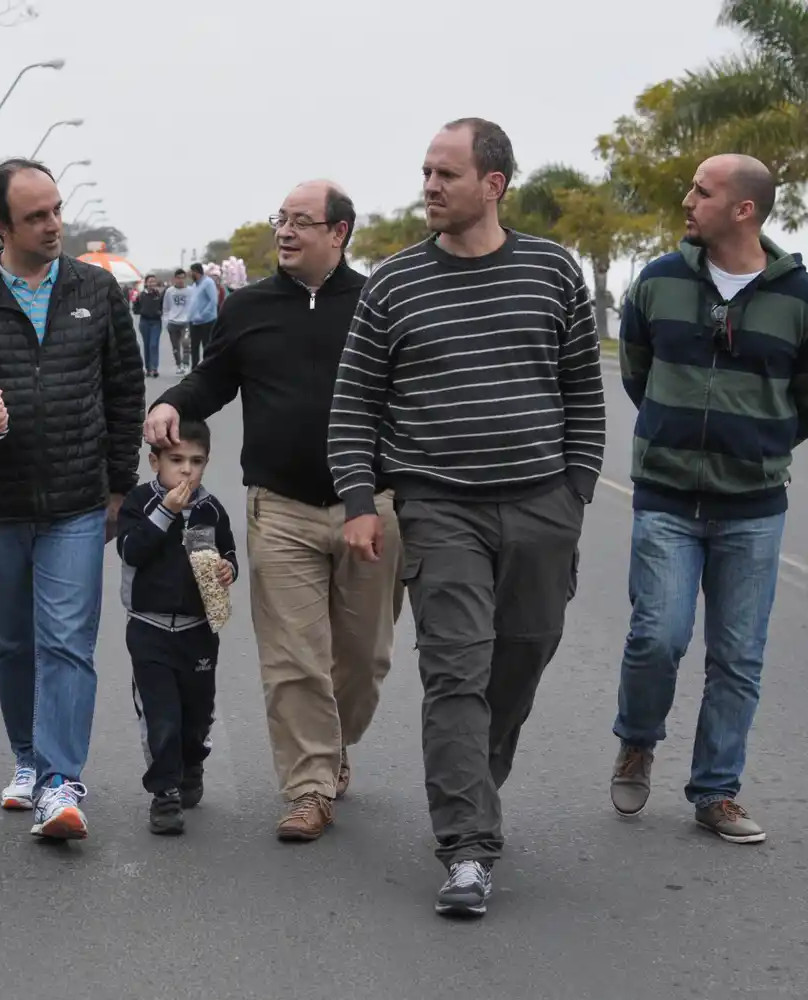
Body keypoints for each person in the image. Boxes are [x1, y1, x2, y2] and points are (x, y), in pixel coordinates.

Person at [327, 119, 605, 918]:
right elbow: (355, 406)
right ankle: (468, 848)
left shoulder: (552, 272)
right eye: (424, 172)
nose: (429, 187)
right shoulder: (394, 282)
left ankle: (473, 782)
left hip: (542, 505)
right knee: (455, 671)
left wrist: (576, 492)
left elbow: (583, 390)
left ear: (495, 184)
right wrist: (358, 502)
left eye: (446, 173)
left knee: (521, 658)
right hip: (439, 507)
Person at [148, 180, 403, 843]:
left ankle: (333, 743)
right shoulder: (251, 307)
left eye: (300, 222)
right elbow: (214, 378)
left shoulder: (380, 303)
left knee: (363, 660)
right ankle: (309, 787)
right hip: (280, 508)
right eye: (279, 220)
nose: (284, 232)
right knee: (294, 658)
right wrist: (175, 400)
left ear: (339, 231)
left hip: (371, 508)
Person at [0, 157, 146, 840]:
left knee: (68, 642)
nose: (53, 225)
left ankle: (60, 781)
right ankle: (27, 759)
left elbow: (125, 391)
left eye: (55, 210)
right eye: (36, 216)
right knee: (12, 644)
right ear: (1, 225)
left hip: (77, 500)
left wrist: (117, 484)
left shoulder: (95, 291)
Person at [609, 154, 808, 845]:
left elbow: (803, 399)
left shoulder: (799, 296)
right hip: (665, 499)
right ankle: (637, 740)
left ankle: (716, 791)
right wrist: (670, 433)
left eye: (703, 190)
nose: (687, 200)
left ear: (743, 210)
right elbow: (636, 368)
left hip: (752, 508)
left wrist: (757, 443)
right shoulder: (658, 281)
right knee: (656, 637)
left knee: (738, 657)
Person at [116, 419, 236, 835]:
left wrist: (227, 569)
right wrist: (165, 512)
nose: (186, 470)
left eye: (196, 461)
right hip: (149, 629)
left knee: (197, 712)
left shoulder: (211, 509)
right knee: (160, 714)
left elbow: (229, 552)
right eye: (176, 460)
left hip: (198, 629)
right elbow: (131, 551)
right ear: (155, 462)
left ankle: (192, 764)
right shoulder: (139, 503)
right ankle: (163, 792)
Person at [132, 274, 165, 378]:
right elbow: (135, 308)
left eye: (154, 281)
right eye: (150, 281)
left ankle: (155, 368)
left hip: (156, 322)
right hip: (144, 322)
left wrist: (159, 312)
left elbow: (164, 307)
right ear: (146, 283)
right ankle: (148, 369)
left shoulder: (158, 295)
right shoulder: (141, 295)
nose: (152, 284)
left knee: (153, 344)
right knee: (146, 345)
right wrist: (142, 311)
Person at [186, 262, 218, 368]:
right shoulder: (194, 285)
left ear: (196, 272)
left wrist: (202, 315)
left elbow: (213, 301)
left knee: (207, 346)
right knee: (194, 347)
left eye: (191, 272)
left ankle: (207, 369)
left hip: (206, 321)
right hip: (194, 322)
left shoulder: (208, 283)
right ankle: (194, 369)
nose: (190, 275)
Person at [161, 269, 192, 375]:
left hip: (185, 322)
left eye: (183, 278)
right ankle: (179, 365)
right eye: (178, 278)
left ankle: (186, 364)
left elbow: (193, 306)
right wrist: (166, 321)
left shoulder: (190, 291)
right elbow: (166, 307)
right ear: (175, 279)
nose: (180, 280)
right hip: (173, 322)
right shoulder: (169, 291)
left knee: (186, 343)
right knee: (175, 346)